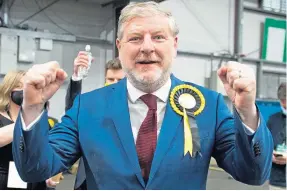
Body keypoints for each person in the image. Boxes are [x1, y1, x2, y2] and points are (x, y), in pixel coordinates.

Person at [13, 1, 273, 189]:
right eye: (135, 38)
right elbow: (35, 169)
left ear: (175, 45)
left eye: (158, 37)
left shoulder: (210, 106)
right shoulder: (87, 107)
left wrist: (247, 111)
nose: (147, 47)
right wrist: (33, 108)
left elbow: (252, 174)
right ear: (119, 47)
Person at [65, 55, 124, 190]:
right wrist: (76, 77)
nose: (114, 83)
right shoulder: (94, 103)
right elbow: (73, 111)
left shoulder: (137, 108)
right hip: (89, 181)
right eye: (110, 79)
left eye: (120, 80)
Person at [0, 70, 55, 190]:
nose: (24, 90)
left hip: (34, 180)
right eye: (20, 86)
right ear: (8, 89)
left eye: (27, 86)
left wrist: (49, 172)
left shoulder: (40, 120)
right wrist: (26, 121)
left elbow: (48, 149)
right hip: (5, 179)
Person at [267, 82, 286, 190]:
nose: (284, 104)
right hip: (276, 181)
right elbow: (262, 146)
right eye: (282, 101)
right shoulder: (272, 120)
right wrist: (271, 155)